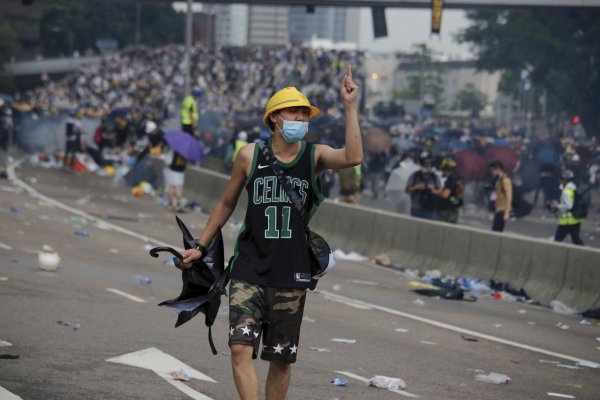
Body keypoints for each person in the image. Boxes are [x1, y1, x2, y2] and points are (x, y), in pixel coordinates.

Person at [179, 65, 362, 400]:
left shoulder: (314, 155)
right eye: (294, 112)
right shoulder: (249, 155)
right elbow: (225, 203)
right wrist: (200, 246)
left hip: (291, 276)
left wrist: (350, 106)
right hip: (248, 270)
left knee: (280, 360)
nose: (301, 119)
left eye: (305, 114)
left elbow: (353, 156)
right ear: (275, 118)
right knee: (239, 348)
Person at [549, 170, 584, 245]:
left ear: (565, 180)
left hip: (567, 221)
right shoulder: (574, 188)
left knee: (557, 240)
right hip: (576, 219)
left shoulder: (566, 192)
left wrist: (556, 206)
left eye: (561, 178)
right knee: (576, 239)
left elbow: (569, 206)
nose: (559, 180)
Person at [405, 151, 441, 220]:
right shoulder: (415, 175)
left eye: (429, 162)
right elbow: (407, 189)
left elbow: (440, 192)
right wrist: (416, 187)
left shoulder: (435, 177)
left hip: (430, 209)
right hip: (416, 208)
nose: (427, 164)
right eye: (425, 162)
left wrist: (433, 190)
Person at [431, 158, 463, 223]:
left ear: (447, 170)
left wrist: (434, 191)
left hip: (445, 212)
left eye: (443, 169)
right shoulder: (456, 179)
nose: (442, 171)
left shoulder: (450, 181)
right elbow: (457, 195)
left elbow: (445, 195)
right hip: (452, 210)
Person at [160, 141, 188, 212]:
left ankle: (171, 204)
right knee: (178, 188)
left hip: (172, 171)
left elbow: (168, 161)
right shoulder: (186, 152)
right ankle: (178, 205)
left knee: (171, 188)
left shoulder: (174, 150)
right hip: (181, 172)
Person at [489, 161, 512, 232]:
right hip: (498, 209)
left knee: (496, 230)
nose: (492, 172)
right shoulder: (498, 180)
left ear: (498, 169)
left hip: (502, 210)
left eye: (492, 170)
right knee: (495, 230)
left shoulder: (505, 180)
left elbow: (509, 197)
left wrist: (507, 213)